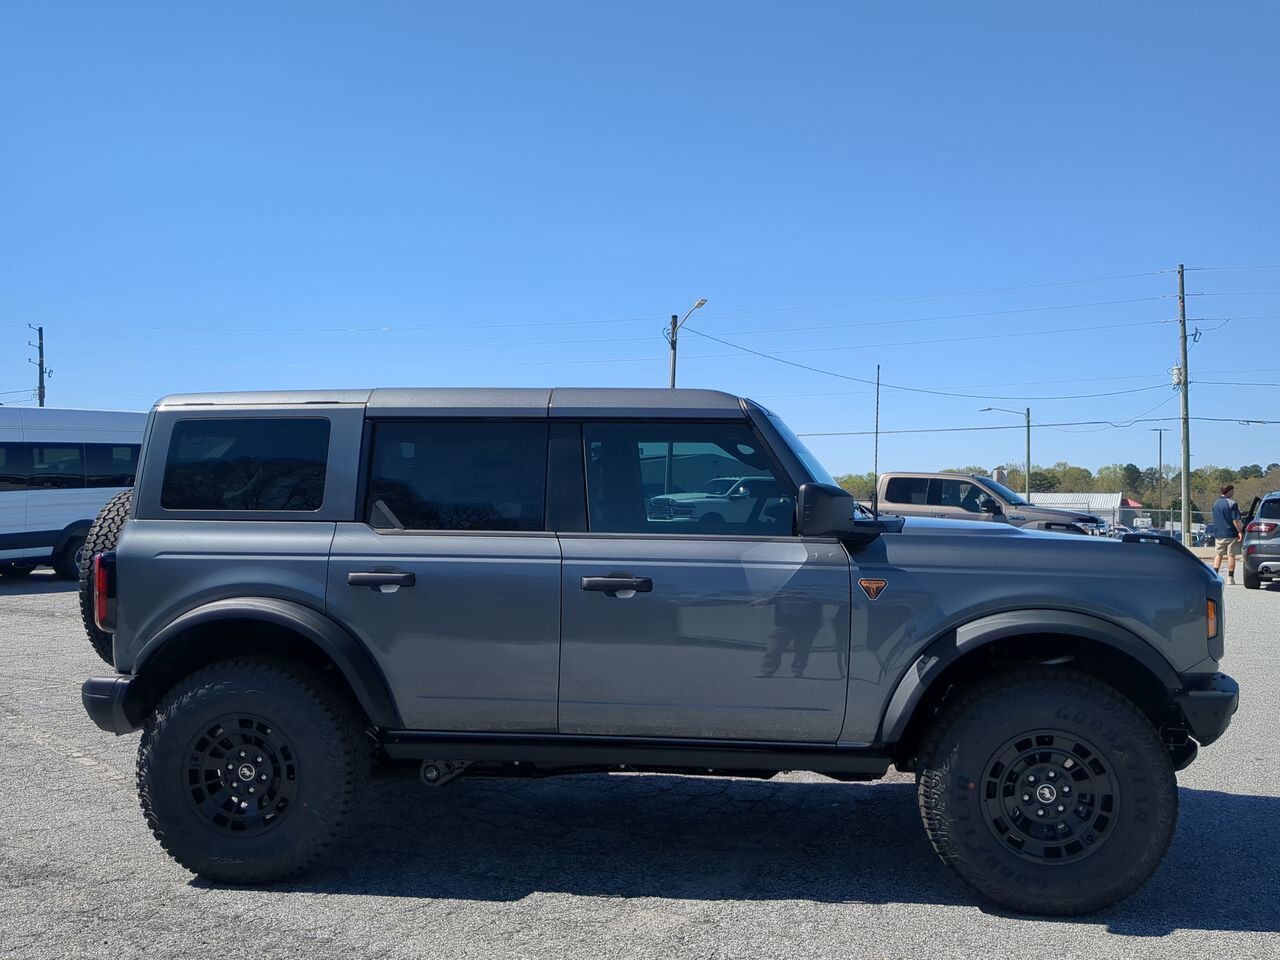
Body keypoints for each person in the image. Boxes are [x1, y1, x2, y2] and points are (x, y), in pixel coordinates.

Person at [1211, 483, 1244, 584]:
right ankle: (1230, 578)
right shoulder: (1232, 503)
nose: (1233, 493)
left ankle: (1214, 576)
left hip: (1219, 534)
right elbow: (1235, 520)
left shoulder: (1215, 503)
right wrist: (1240, 531)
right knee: (1231, 556)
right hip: (1231, 534)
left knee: (1218, 555)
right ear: (1229, 491)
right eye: (1232, 491)